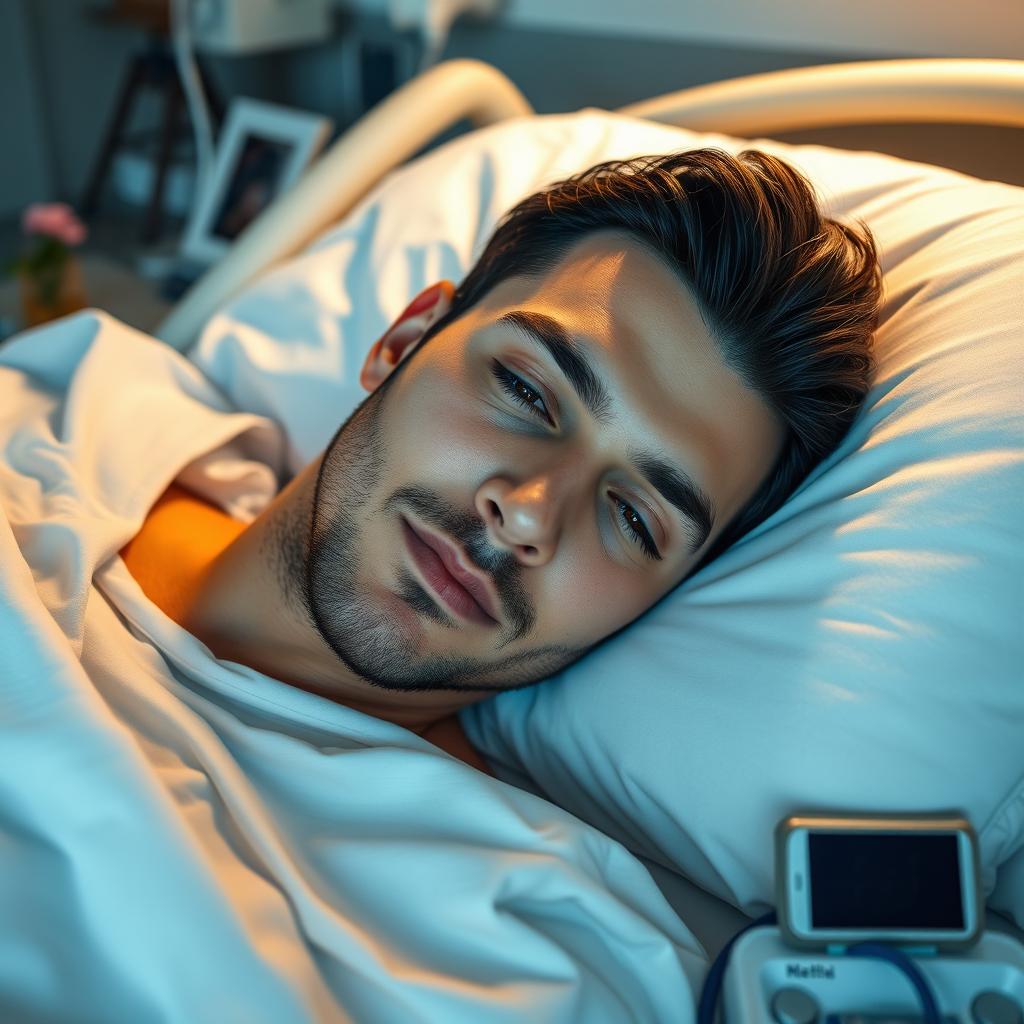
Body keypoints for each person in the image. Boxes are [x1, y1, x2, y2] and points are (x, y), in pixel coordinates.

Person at [119, 147, 883, 775]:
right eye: (526, 389)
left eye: (633, 518)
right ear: (405, 339)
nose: (526, 514)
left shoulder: (500, 928)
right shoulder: (77, 413)